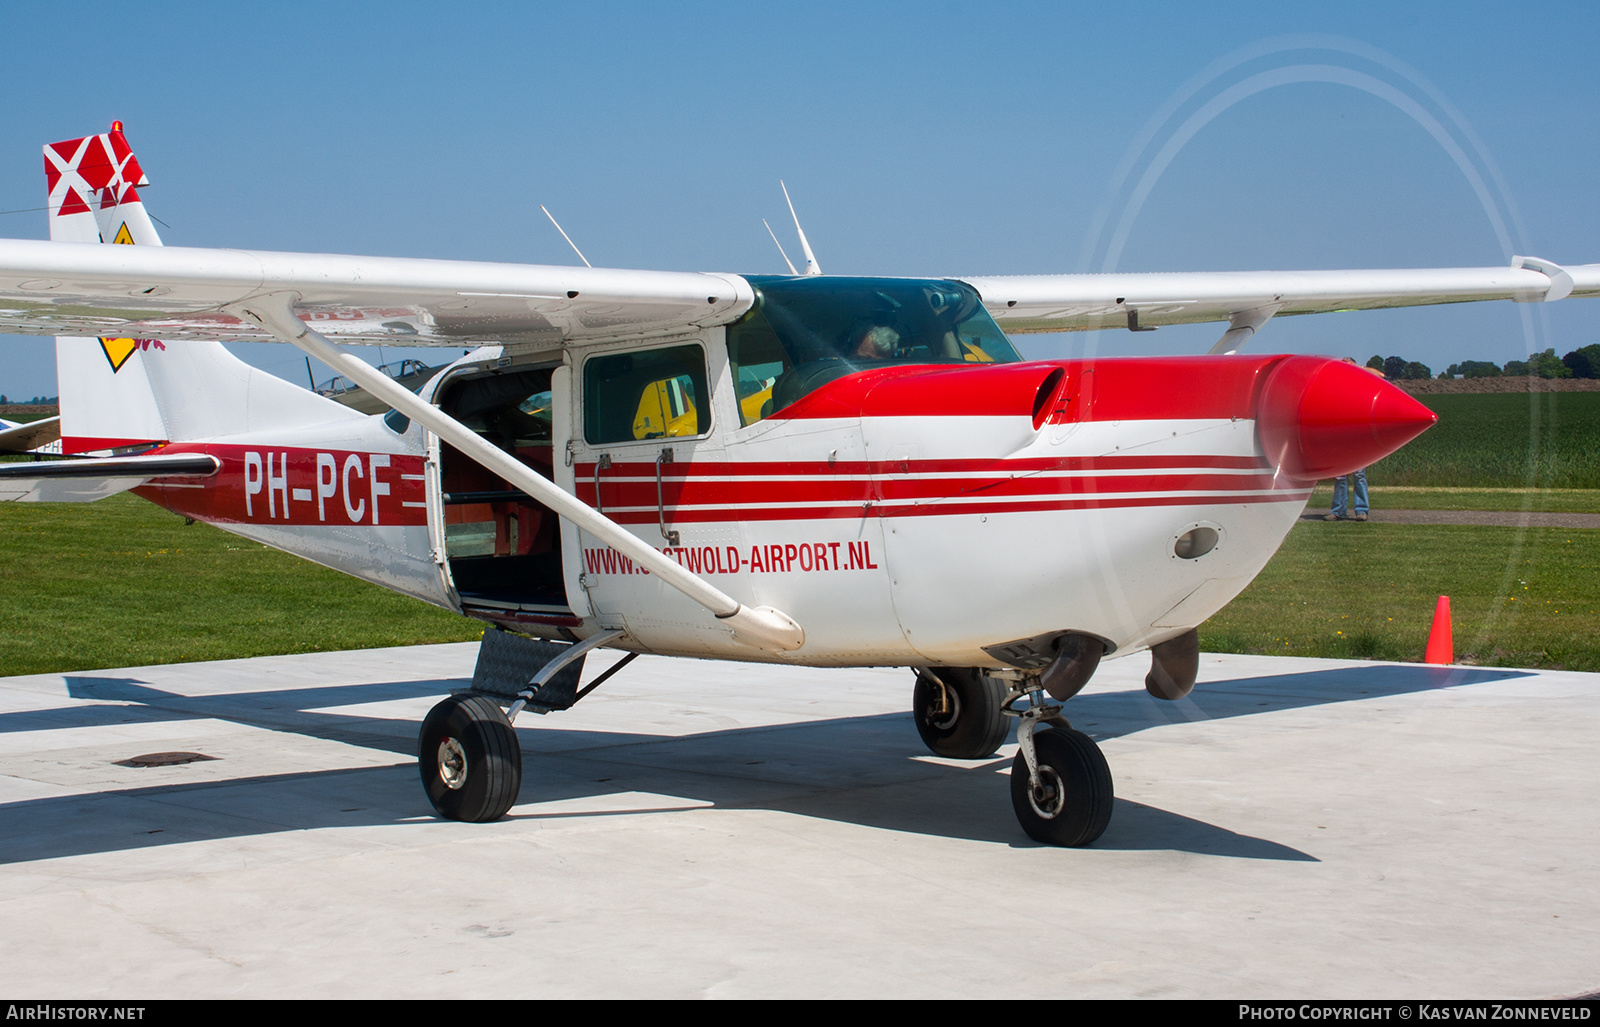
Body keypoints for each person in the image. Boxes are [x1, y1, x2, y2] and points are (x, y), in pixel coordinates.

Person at [1324, 357, 1377, 521]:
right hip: (1342, 436)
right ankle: (1338, 510)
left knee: (1359, 475)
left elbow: (1379, 376)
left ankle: (1362, 510)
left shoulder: (1361, 387)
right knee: (1340, 475)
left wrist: (1356, 368)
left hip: (1357, 436)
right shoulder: (1337, 390)